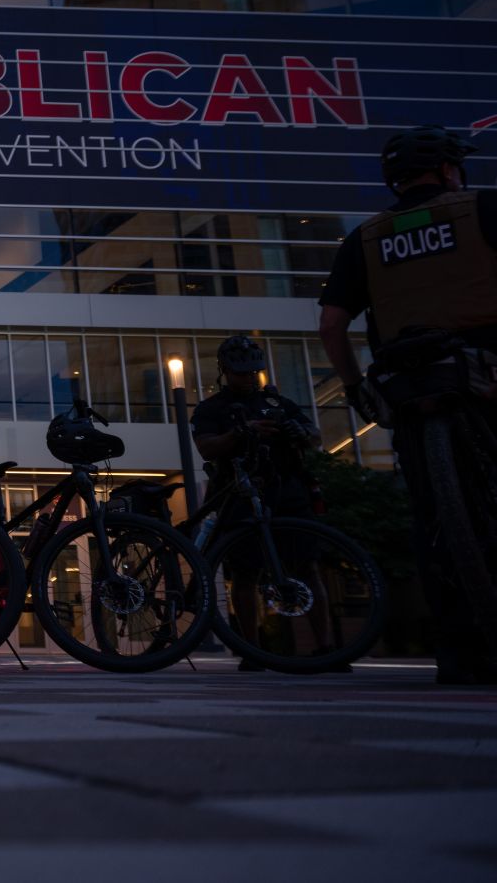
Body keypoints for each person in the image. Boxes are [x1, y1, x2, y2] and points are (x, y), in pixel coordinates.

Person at [318, 125, 497, 685]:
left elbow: (331, 325)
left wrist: (353, 389)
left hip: (410, 384)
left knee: (428, 515)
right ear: (448, 170)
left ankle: (458, 652)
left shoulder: (367, 238)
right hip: (485, 371)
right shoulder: (483, 208)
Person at [191, 334, 336, 672]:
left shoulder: (279, 403)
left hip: (287, 489)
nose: (247, 379)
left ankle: (326, 646)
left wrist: (297, 432)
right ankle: (251, 650)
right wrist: (242, 433)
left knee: (308, 566)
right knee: (245, 572)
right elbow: (207, 448)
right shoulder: (212, 408)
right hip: (239, 491)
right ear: (225, 370)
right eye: (240, 373)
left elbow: (315, 438)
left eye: (253, 372)